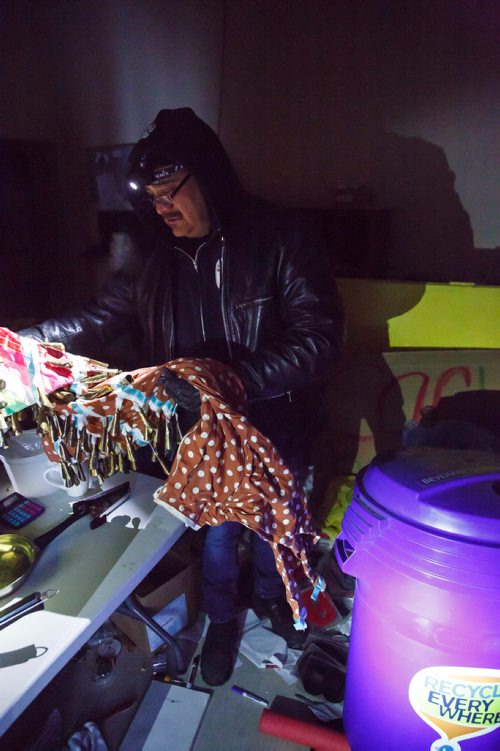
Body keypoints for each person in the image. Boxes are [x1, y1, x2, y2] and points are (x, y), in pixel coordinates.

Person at [19, 107, 344, 685]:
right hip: (202, 433)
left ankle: (270, 598)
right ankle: (222, 618)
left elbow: (318, 338)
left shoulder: (282, 237)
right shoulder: (153, 255)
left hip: (277, 421)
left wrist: (236, 379)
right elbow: (100, 315)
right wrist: (29, 342)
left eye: (172, 191)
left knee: (274, 528)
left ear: (210, 178)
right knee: (217, 533)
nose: (163, 207)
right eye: (154, 197)